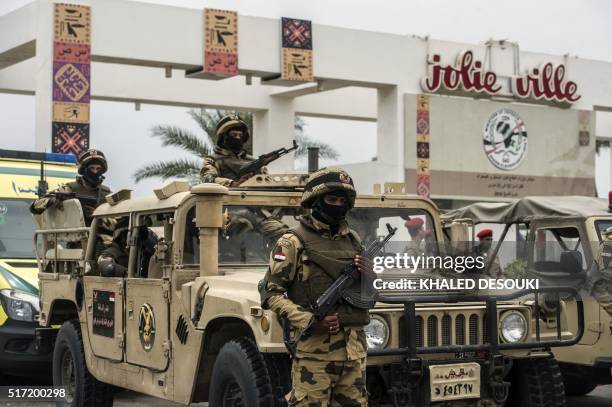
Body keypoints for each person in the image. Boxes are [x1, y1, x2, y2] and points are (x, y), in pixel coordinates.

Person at [261, 167, 371, 406]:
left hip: (355, 353)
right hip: (315, 355)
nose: (338, 205)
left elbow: (367, 295)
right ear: (316, 201)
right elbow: (271, 293)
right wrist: (309, 320)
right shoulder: (292, 242)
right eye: (332, 199)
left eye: (343, 200)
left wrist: (368, 275)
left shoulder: (353, 240)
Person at [31, 148, 112, 225]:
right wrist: (53, 200)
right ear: (84, 170)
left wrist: (98, 215)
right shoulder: (70, 188)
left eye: (98, 169)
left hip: (104, 237)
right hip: (76, 236)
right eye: (92, 168)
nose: (95, 172)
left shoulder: (107, 193)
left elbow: (118, 218)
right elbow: (34, 206)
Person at [200, 115, 267, 187]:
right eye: (234, 135)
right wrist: (233, 184)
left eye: (240, 135)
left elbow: (267, 182)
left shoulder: (254, 161)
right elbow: (207, 179)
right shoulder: (212, 160)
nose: (238, 138)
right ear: (224, 137)